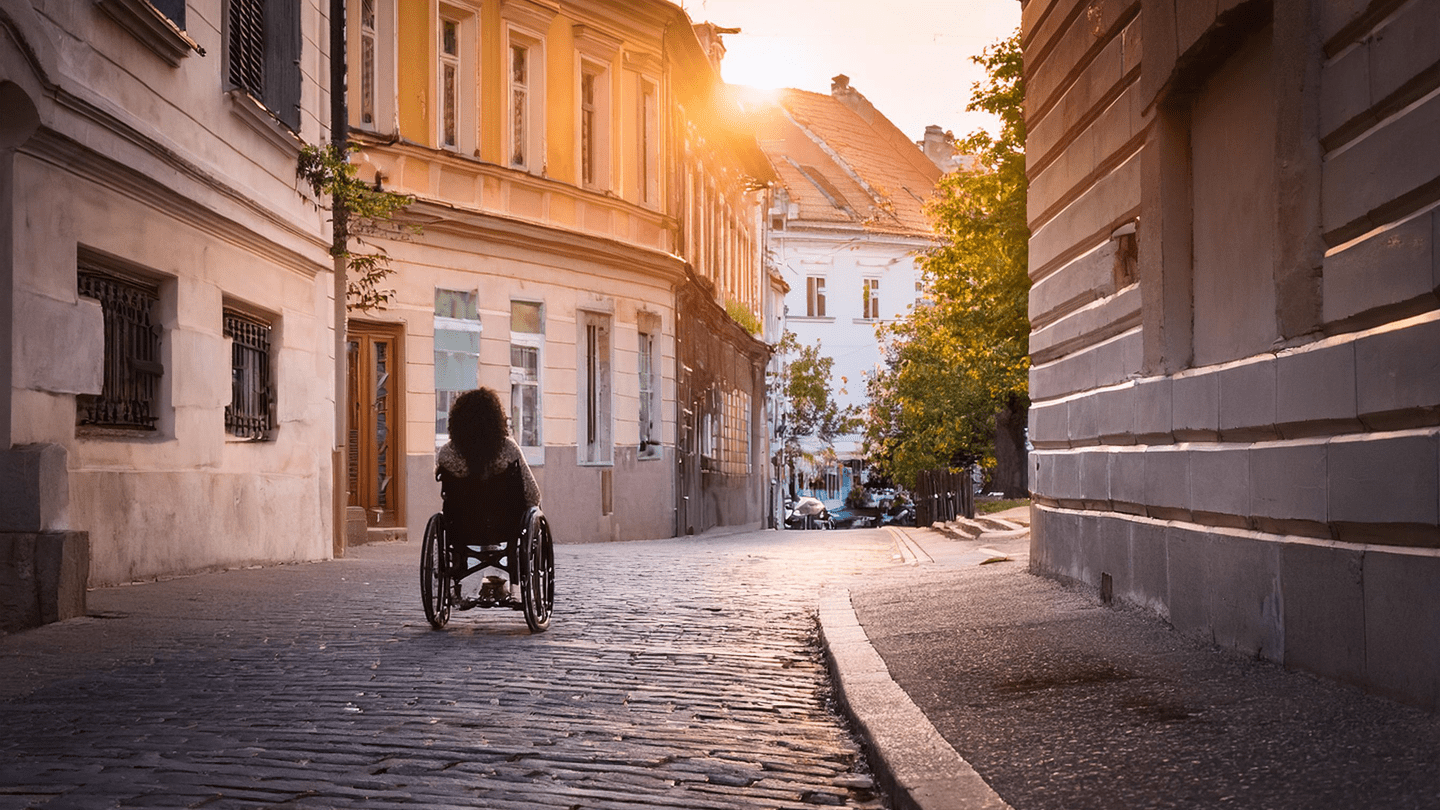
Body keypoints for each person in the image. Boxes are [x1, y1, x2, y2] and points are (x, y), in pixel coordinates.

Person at [435, 387, 541, 604]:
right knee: (530, 512)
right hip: (506, 525)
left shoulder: (446, 453)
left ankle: (459, 577)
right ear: (496, 419)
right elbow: (533, 494)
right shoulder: (508, 450)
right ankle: (505, 580)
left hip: (462, 527)